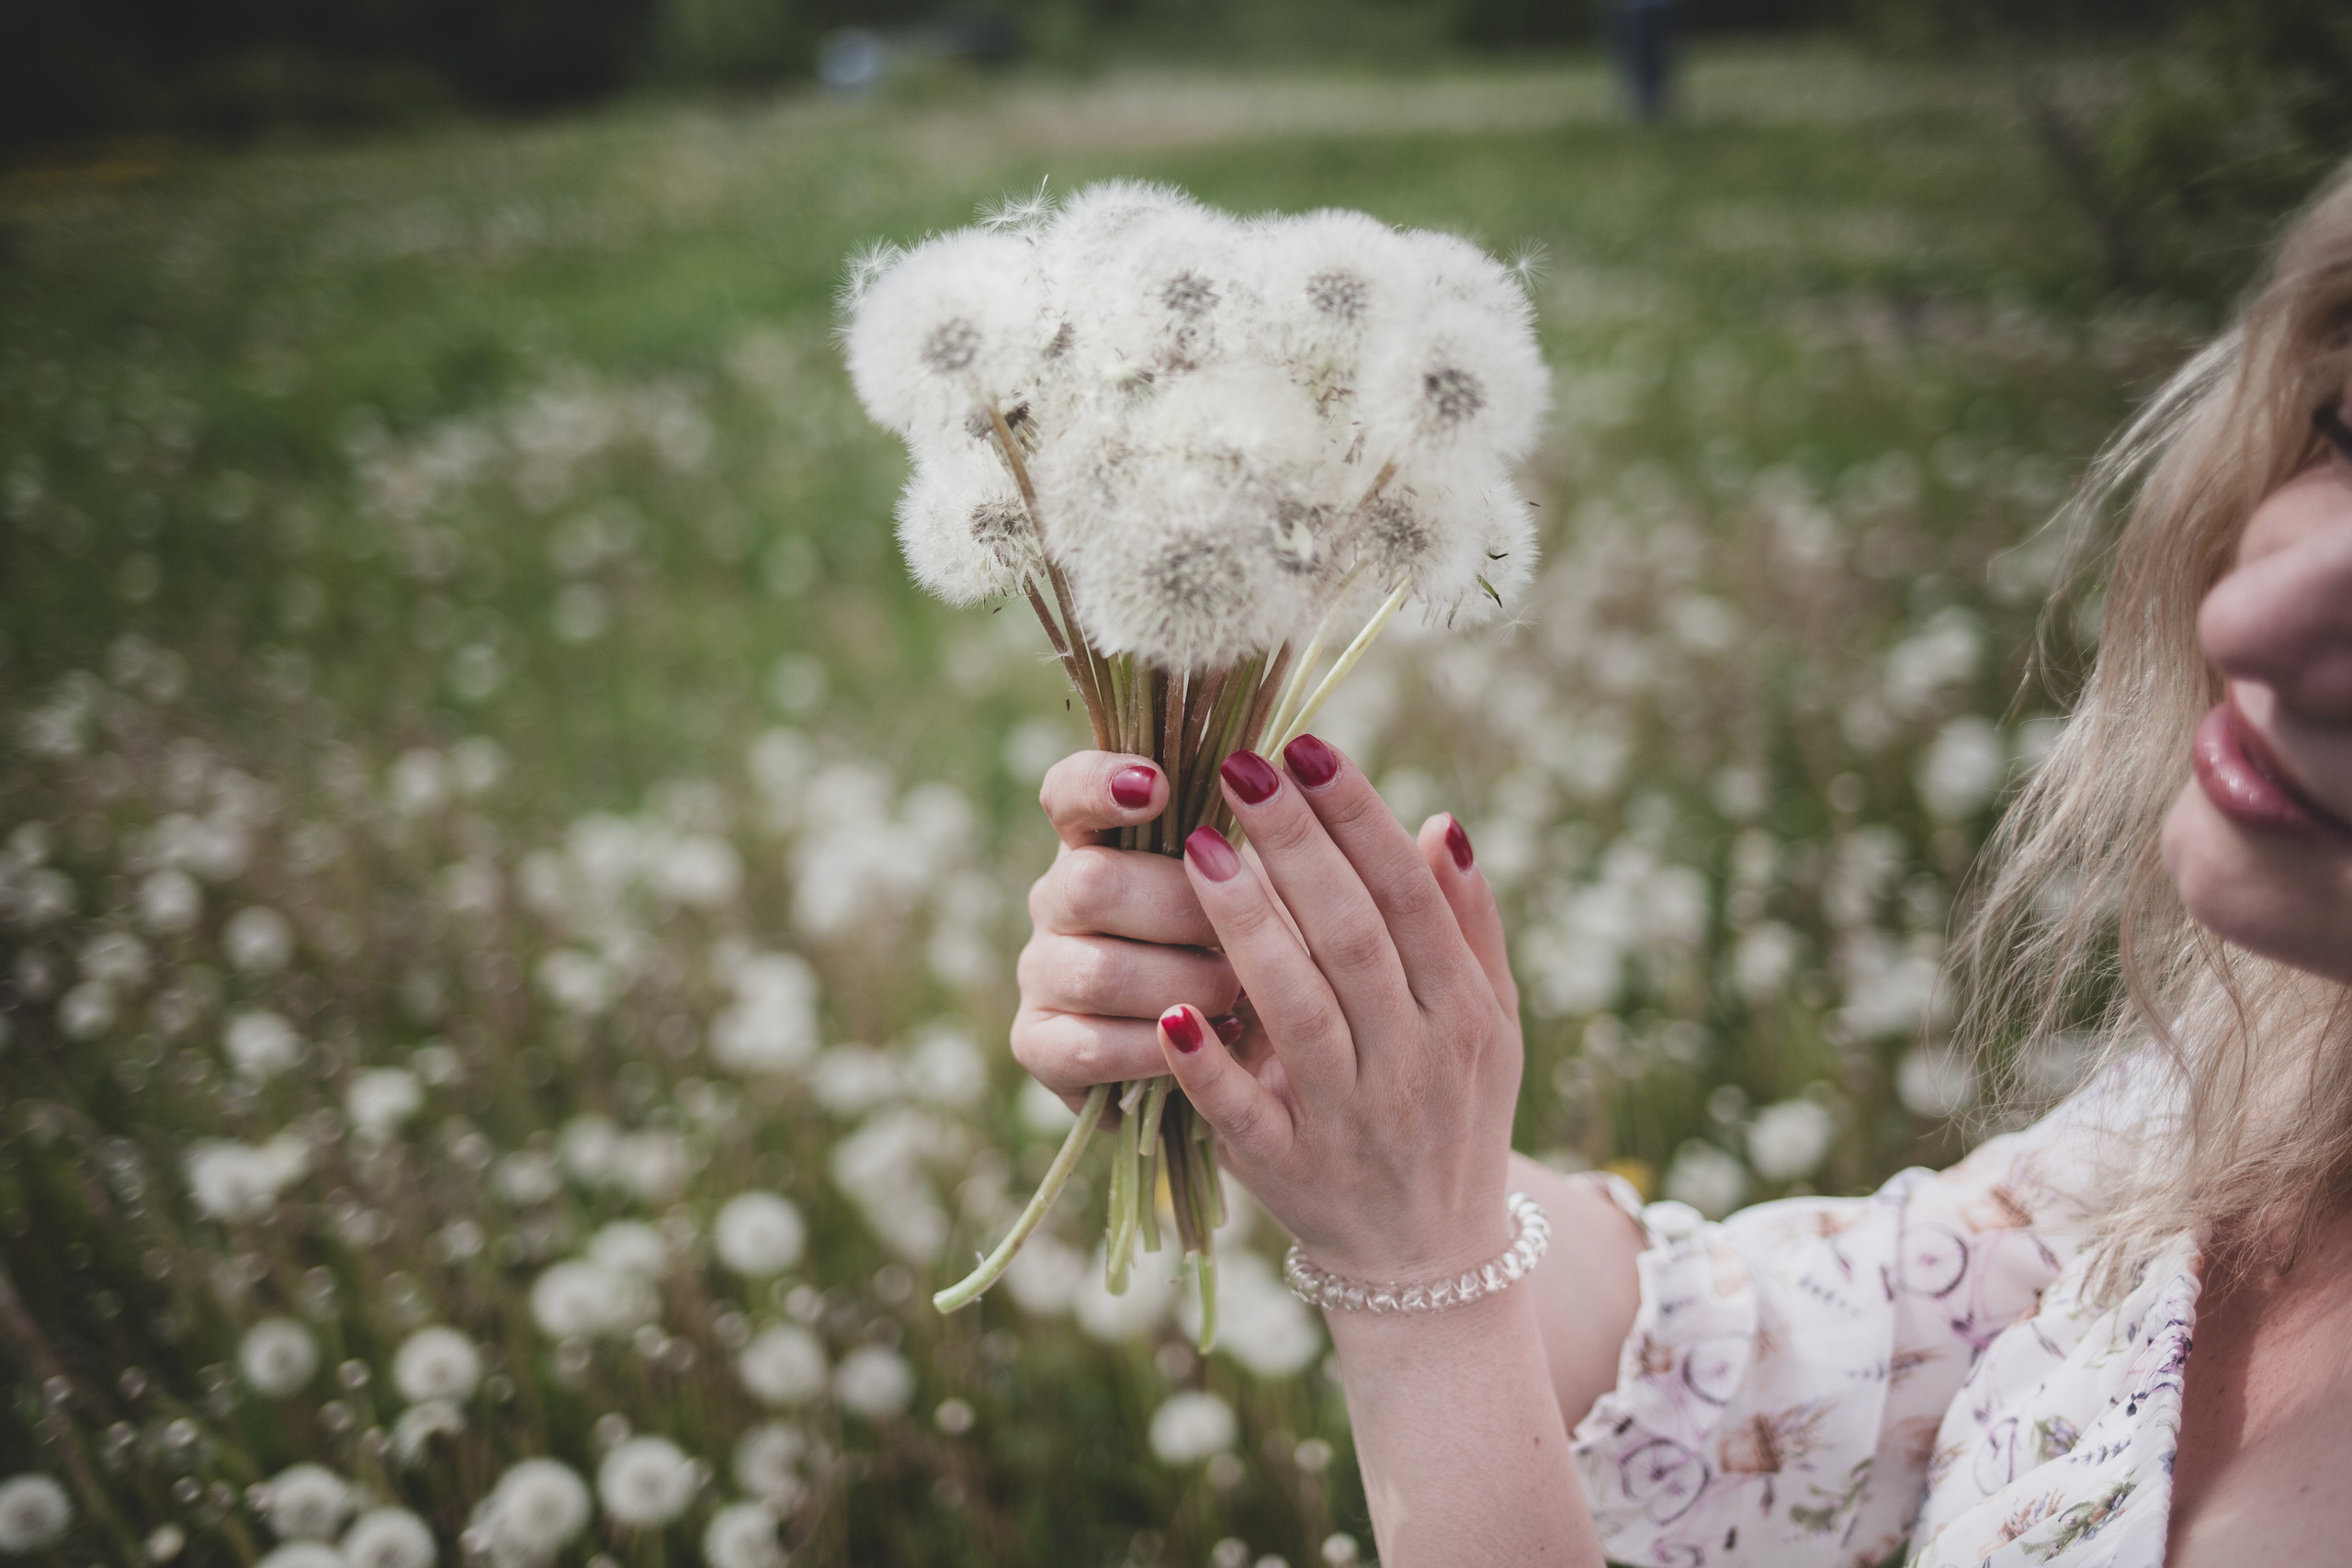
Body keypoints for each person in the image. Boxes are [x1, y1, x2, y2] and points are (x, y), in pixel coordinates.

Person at [1008, 164, 2352, 1568]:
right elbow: (1815, 1361)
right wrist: (1341, 1092)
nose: (2251, 615)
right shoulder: (2245, 1100)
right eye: (2342, 433)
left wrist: (1419, 1274)